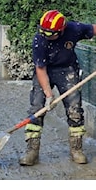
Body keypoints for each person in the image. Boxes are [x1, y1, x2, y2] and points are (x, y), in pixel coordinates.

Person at [19, 10, 96, 166]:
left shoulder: (74, 29)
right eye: (44, 33)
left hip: (67, 69)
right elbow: (40, 69)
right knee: (37, 108)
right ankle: (32, 151)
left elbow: (93, 29)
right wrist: (48, 95)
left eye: (51, 34)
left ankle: (76, 149)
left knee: (74, 109)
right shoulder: (39, 40)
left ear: (61, 30)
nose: (47, 36)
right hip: (45, 70)